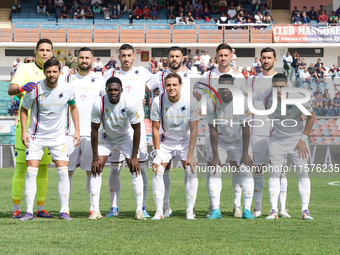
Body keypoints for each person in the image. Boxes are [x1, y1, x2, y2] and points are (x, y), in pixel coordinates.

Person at [19, 58, 80, 221]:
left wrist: (77, 131)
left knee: (63, 172)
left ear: (60, 72)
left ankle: (64, 210)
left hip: (58, 136)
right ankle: (29, 212)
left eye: (54, 71)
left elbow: (73, 107)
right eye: (48, 71)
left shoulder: (67, 89)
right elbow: (24, 109)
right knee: (31, 172)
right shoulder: (35, 89)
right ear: (44, 72)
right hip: (36, 136)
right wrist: (24, 132)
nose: (51, 75)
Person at [146, 46, 200, 217]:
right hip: (166, 140)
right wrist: (156, 153)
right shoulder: (157, 101)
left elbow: (194, 129)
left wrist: (190, 153)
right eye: (168, 85)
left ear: (180, 85)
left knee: (191, 169)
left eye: (174, 85)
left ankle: (190, 210)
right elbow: (154, 128)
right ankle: (160, 210)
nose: (171, 88)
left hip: (184, 140)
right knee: (158, 169)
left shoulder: (190, 100)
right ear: (164, 86)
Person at [194, 43, 245, 219]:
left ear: (231, 56)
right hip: (214, 127)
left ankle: (237, 205)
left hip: (235, 128)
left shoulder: (239, 76)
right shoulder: (207, 75)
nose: (223, 58)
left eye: (226, 55)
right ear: (215, 57)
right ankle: (212, 205)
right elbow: (196, 96)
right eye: (220, 55)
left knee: (237, 166)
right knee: (213, 166)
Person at [253, 73, 315, 220]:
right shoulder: (266, 97)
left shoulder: (299, 97)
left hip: (297, 140)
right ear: (271, 87)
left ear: (288, 87)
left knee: (303, 173)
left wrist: (303, 139)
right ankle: (273, 210)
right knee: (274, 173)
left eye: (282, 87)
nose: (279, 90)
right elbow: (245, 93)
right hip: (277, 139)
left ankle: (305, 211)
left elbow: (311, 117)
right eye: (275, 87)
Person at [103, 44, 153, 218]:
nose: (126, 58)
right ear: (119, 57)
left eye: (129, 55)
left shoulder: (143, 73)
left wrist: (144, 99)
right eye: (123, 55)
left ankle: (142, 207)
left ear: (134, 57)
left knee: (140, 168)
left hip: (136, 129)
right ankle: (114, 208)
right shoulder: (110, 74)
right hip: (115, 128)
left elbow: (158, 84)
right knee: (114, 169)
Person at [7, 39, 55, 219]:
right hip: (26, 128)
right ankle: (16, 208)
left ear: (52, 53)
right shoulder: (26, 69)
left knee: (43, 169)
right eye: (41, 50)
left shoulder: (55, 71)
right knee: (21, 168)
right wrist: (21, 87)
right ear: (36, 52)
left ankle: (40, 208)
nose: (44, 53)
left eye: (47, 50)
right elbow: (11, 90)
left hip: (47, 129)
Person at [91, 77, 145, 220]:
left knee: (135, 168)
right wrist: (95, 157)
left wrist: (134, 156)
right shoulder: (98, 103)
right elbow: (94, 130)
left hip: (124, 137)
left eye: (116, 90)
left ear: (121, 90)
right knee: (96, 168)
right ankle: (95, 210)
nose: (113, 92)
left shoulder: (129, 103)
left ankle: (139, 210)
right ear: (106, 90)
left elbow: (137, 129)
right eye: (110, 90)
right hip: (106, 136)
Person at [246, 47, 289, 218]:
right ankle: (258, 208)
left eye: (269, 58)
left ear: (275, 60)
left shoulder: (283, 80)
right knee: (258, 170)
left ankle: (282, 208)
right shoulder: (252, 80)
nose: (266, 60)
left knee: (280, 171)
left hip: (278, 131)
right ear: (260, 60)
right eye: (263, 58)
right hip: (258, 130)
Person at [64, 48, 105, 219]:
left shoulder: (101, 80)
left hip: (92, 133)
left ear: (93, 60)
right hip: (68, 133)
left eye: (87, 58)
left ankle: (94, 209)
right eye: (81, 57)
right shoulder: (67, 77)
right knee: (66, 172)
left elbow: (108, 104)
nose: (84, 60)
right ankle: (64, 208)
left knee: (93, 171)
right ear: (76, 60)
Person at [207, 73, 253, 220]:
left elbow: (246, 128)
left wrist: (245, 153)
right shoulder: (211, 102)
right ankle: (216, 210)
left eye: (228, 86)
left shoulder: (243, 101)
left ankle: (246, 209)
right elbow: (212, 129)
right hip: (221, 141)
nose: (225, 89)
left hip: (240, 141)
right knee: (215, 170)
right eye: (222, 86)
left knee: (246, 170)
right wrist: (215, 155)